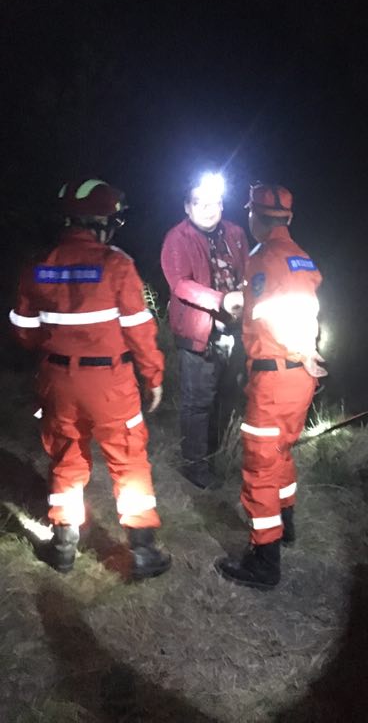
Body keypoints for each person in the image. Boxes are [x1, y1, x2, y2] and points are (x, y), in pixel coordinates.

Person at [10, 178, 171, 580]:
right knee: (128, 458)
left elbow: (23, 330)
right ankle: (142, 551)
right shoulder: (117, 265)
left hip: (58, 381)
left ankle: (64, 546)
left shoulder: (39, 265)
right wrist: (153, 376)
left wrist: (56, 346)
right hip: (110, 381)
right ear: (101, 223)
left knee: (66, 455)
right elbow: (139, 329)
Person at [216, 183, 327, 590]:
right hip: (300, 375)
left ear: (254, 216)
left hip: (274, 375)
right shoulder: (302, 257)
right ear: (288, 218)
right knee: (281, 451)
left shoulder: (262, 258)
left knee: (260, 466)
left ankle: (264, 560)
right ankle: (287, 523)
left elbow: (268, 315)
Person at [160, 173, 249, 488]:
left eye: (215, 203)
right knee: (197, 402)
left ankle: (217, 455)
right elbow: (180, 284)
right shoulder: (177, 238)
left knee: (227, 396)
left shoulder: (235, 233)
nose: (209, 209)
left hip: (234, 330)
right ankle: (194, 466)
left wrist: (246, 294)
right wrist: (222, 300)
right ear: (187, 206)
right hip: (199, 333)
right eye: (200, 203)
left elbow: (247, 270)